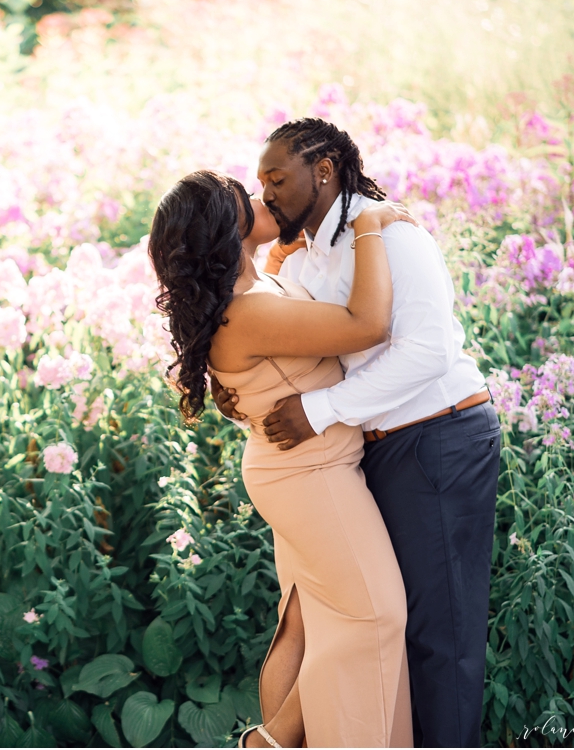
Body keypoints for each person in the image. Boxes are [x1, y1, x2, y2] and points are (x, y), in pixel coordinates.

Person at [211, 118, 502, 748]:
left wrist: (321, 412)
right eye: (259, 183)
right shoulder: (310, 254)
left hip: (439, 438)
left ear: (324, 170)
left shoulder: (391, 232)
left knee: (438, 639)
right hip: (374, 453)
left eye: (276, 179)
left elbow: (426, 352)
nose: (266, 196)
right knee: (362, 624)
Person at [148, 169, 418, 748]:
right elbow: (365, 326)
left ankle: (273, 740)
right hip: (309, 476)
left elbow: (261, 351)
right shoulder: (245, 313)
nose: (260, 195)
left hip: (298, 470)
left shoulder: (248, 297)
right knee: (376, 615)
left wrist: (276, 257)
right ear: (228, 227)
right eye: (243, 196)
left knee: (307, 622)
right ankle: (269, 742)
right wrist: (368, 222)